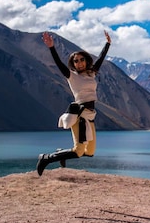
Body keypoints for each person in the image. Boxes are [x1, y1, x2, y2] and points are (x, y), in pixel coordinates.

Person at [36, 30, 112, 176]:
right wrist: (51, 47)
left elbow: (101, 58)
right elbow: (59, 64)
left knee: (89, 152)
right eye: (76, 61)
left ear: (86, 60)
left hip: (90, 116)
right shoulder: (72, 76)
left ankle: (62, 153)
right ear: (73, 63)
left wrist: (108, 44)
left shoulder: (91, 73)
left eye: (82, 59)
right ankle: (45, 158)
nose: (79, 63)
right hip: (79, 116)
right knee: (78, 151)